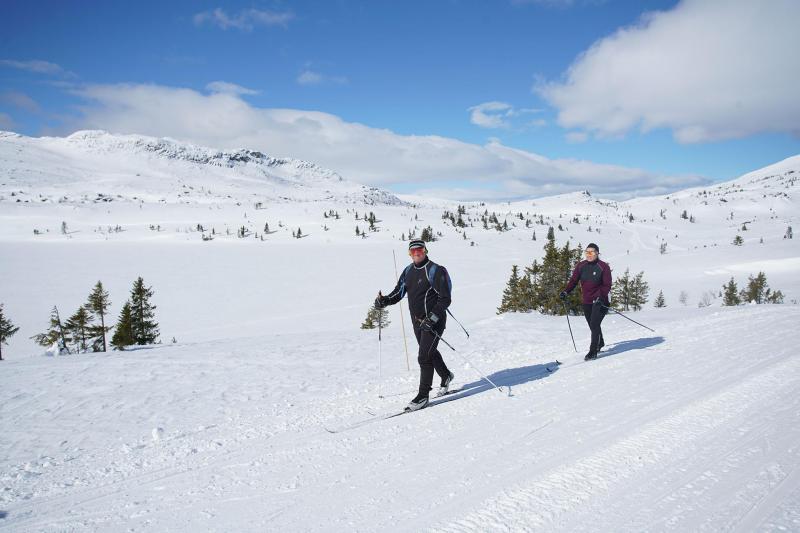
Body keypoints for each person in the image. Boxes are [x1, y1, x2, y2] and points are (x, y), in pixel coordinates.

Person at [375, 239, 454, 411]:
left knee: (424, 356)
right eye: (413, 251)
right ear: (409, 254)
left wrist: (432, 318)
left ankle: (423, 396)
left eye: (420, 250)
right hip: (417, 321)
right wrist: (385, 301)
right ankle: (446, 375)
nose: (417, 253)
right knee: (429, 352)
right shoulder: (408, 271)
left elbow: (445, 298)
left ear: (426, 251)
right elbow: (399, 292)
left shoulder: (435, 270)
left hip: (434, 321)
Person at [560, 243, 612, 361]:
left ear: (597, 253)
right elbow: (573, 281)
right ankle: (600, 342)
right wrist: (566, 292)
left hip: (601, 300)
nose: (588, 255)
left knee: (594, 323)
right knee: (592, 324)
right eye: (586, 252)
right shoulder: (581, 266)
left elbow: (607, 285)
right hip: (587, 300)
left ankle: (593, 351)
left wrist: (600, 297)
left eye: (591, 252)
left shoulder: (603, 267)